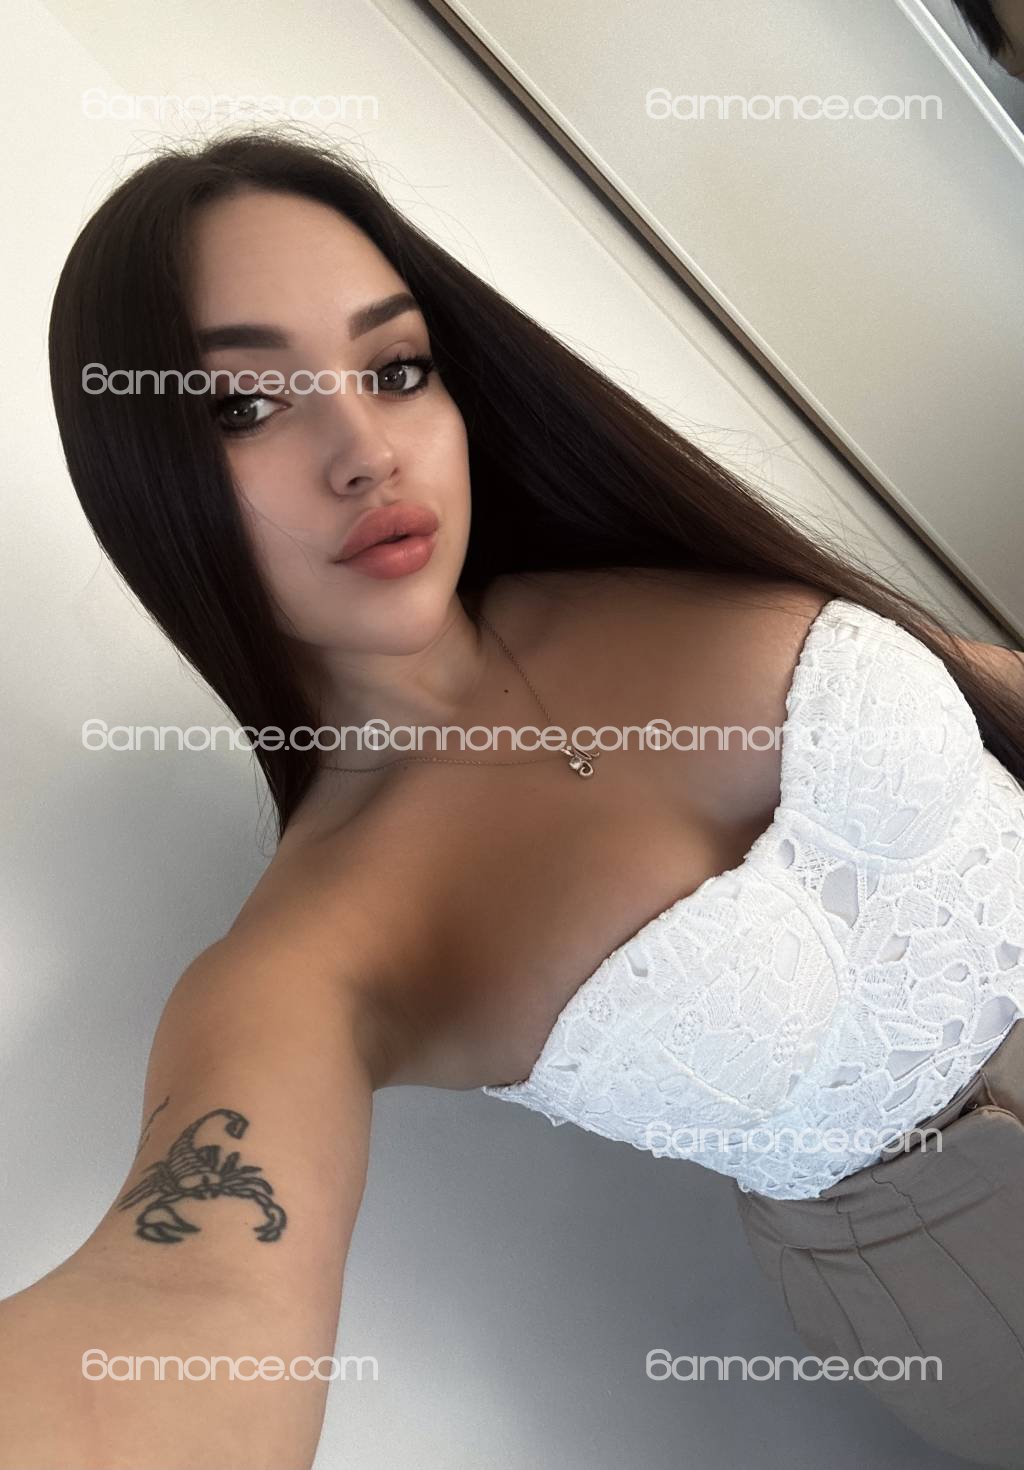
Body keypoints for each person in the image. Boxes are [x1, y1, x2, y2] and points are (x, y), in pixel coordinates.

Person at [3, 128, 1023, 1469]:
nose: (365, 449)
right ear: (149, 476)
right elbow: (187, 1303)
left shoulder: (655, 551)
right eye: (243, 406)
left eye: (395, 369)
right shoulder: (315, 957)